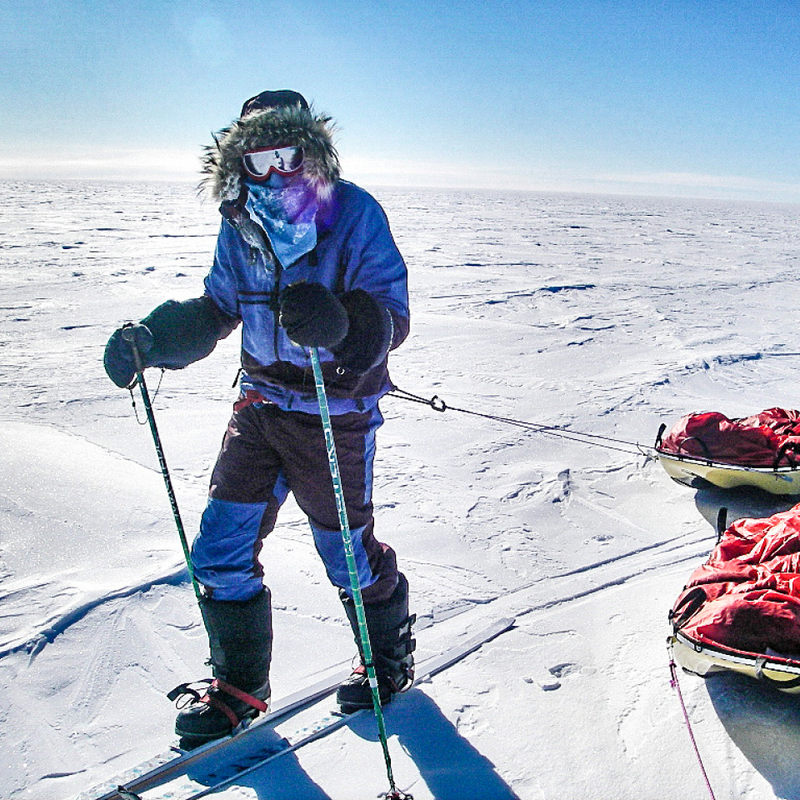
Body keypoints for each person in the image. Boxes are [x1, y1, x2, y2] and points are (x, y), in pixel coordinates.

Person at [104, 90, 415, 744]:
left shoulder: (354, 214)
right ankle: (238, 687)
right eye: (257, 157)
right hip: (261, 404)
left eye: (285, 153)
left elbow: (392, 318)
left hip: (337, 409)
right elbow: (219, 307)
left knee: (345, 555)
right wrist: (156, 339)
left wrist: (342, 324)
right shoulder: (239, 220)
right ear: (238, 162)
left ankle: (386, 660)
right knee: (218, 549)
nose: (274, 171)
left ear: (310, 150)